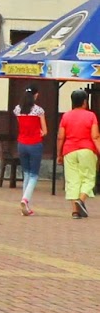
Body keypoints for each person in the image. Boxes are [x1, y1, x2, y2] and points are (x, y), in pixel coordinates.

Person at [58, 87, 100, 218]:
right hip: (87, 150)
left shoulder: (66, 116)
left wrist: (59, 154)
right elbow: (95, 136)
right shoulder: (91, 116)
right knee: (88, 178)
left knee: (72, 180)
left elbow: (60, 137)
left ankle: (75, 211)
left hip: (69, 150)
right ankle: (81, 200)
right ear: (84, 102)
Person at [13, 87, 47, 215]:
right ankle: (25, 199)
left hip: (21, 143)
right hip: (35, 144)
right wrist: (39, 132)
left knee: (26, 173)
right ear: (35, 95)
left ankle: (25, 206)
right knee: (34, 175)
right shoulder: (39, 110)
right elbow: (45, 130)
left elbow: (20, 125)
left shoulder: (17, 109)